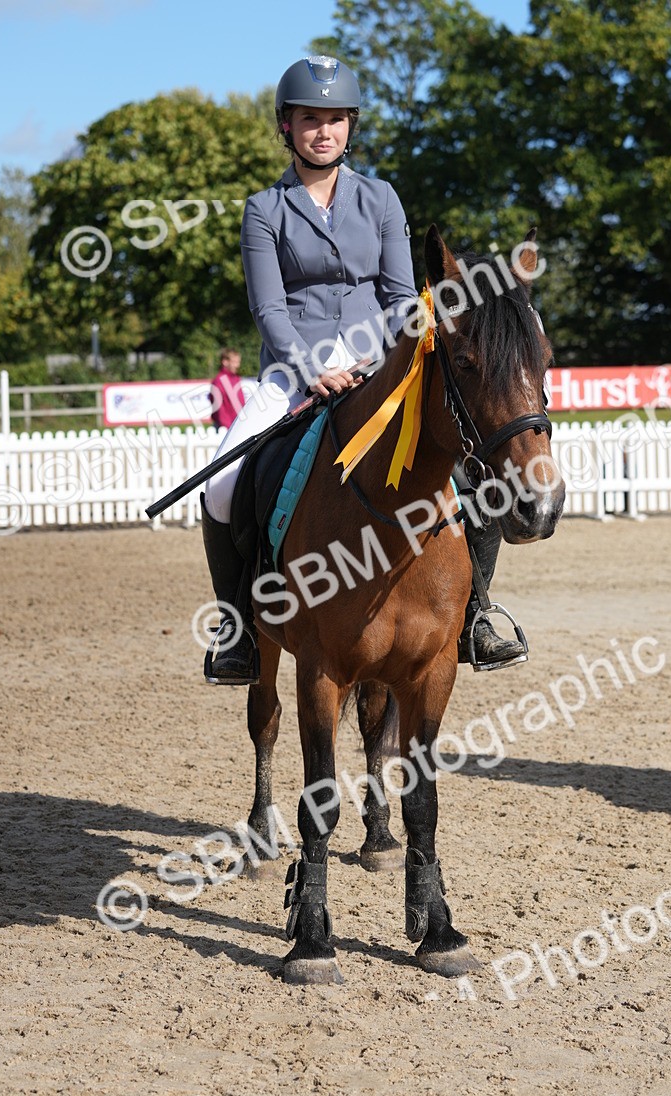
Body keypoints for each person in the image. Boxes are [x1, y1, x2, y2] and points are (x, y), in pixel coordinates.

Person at [200, 54, 526, 684]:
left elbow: (401, 296)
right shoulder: (264, 209)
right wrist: (309, 368)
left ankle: (477, 614)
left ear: (350, 126)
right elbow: (268, 307)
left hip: (380, 367)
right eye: (309, 119)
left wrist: (387, 359)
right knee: (221, 485)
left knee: (469, 467)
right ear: (286, 126)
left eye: (334, 119)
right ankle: (236, 628)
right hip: (294, 373)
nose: (322, 131)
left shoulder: (380, 198)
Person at [210, 348, 246, 431]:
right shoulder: (218, 382)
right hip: (225, 428)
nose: (237, 365)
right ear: (225, 362)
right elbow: (219, 409)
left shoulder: (236, 378)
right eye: (234, 362)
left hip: (238, 425)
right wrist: (229, 428)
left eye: (238, 362)